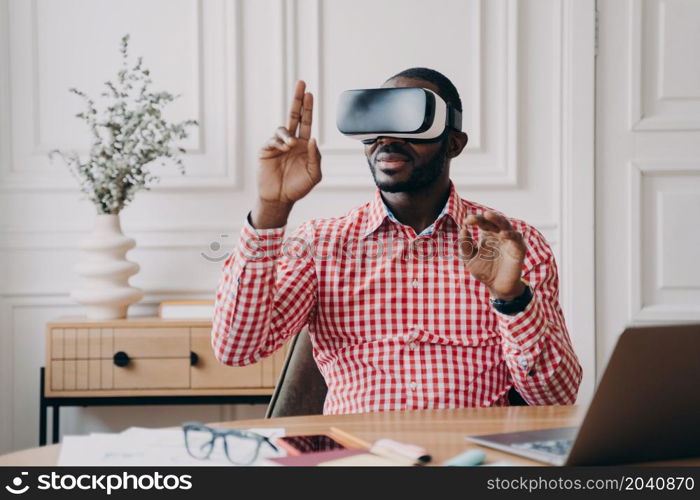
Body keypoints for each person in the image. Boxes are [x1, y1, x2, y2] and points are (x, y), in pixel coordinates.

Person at [211, 67, 582, 415]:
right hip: (358, 462)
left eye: (410, 121)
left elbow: (557, 397)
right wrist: (271, 210)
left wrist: (512, 298)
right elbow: (236, 349)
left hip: (470, 459)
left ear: (454, 143)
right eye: (378, 123)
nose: (388, 138)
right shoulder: (320, 245)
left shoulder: (514, 245)